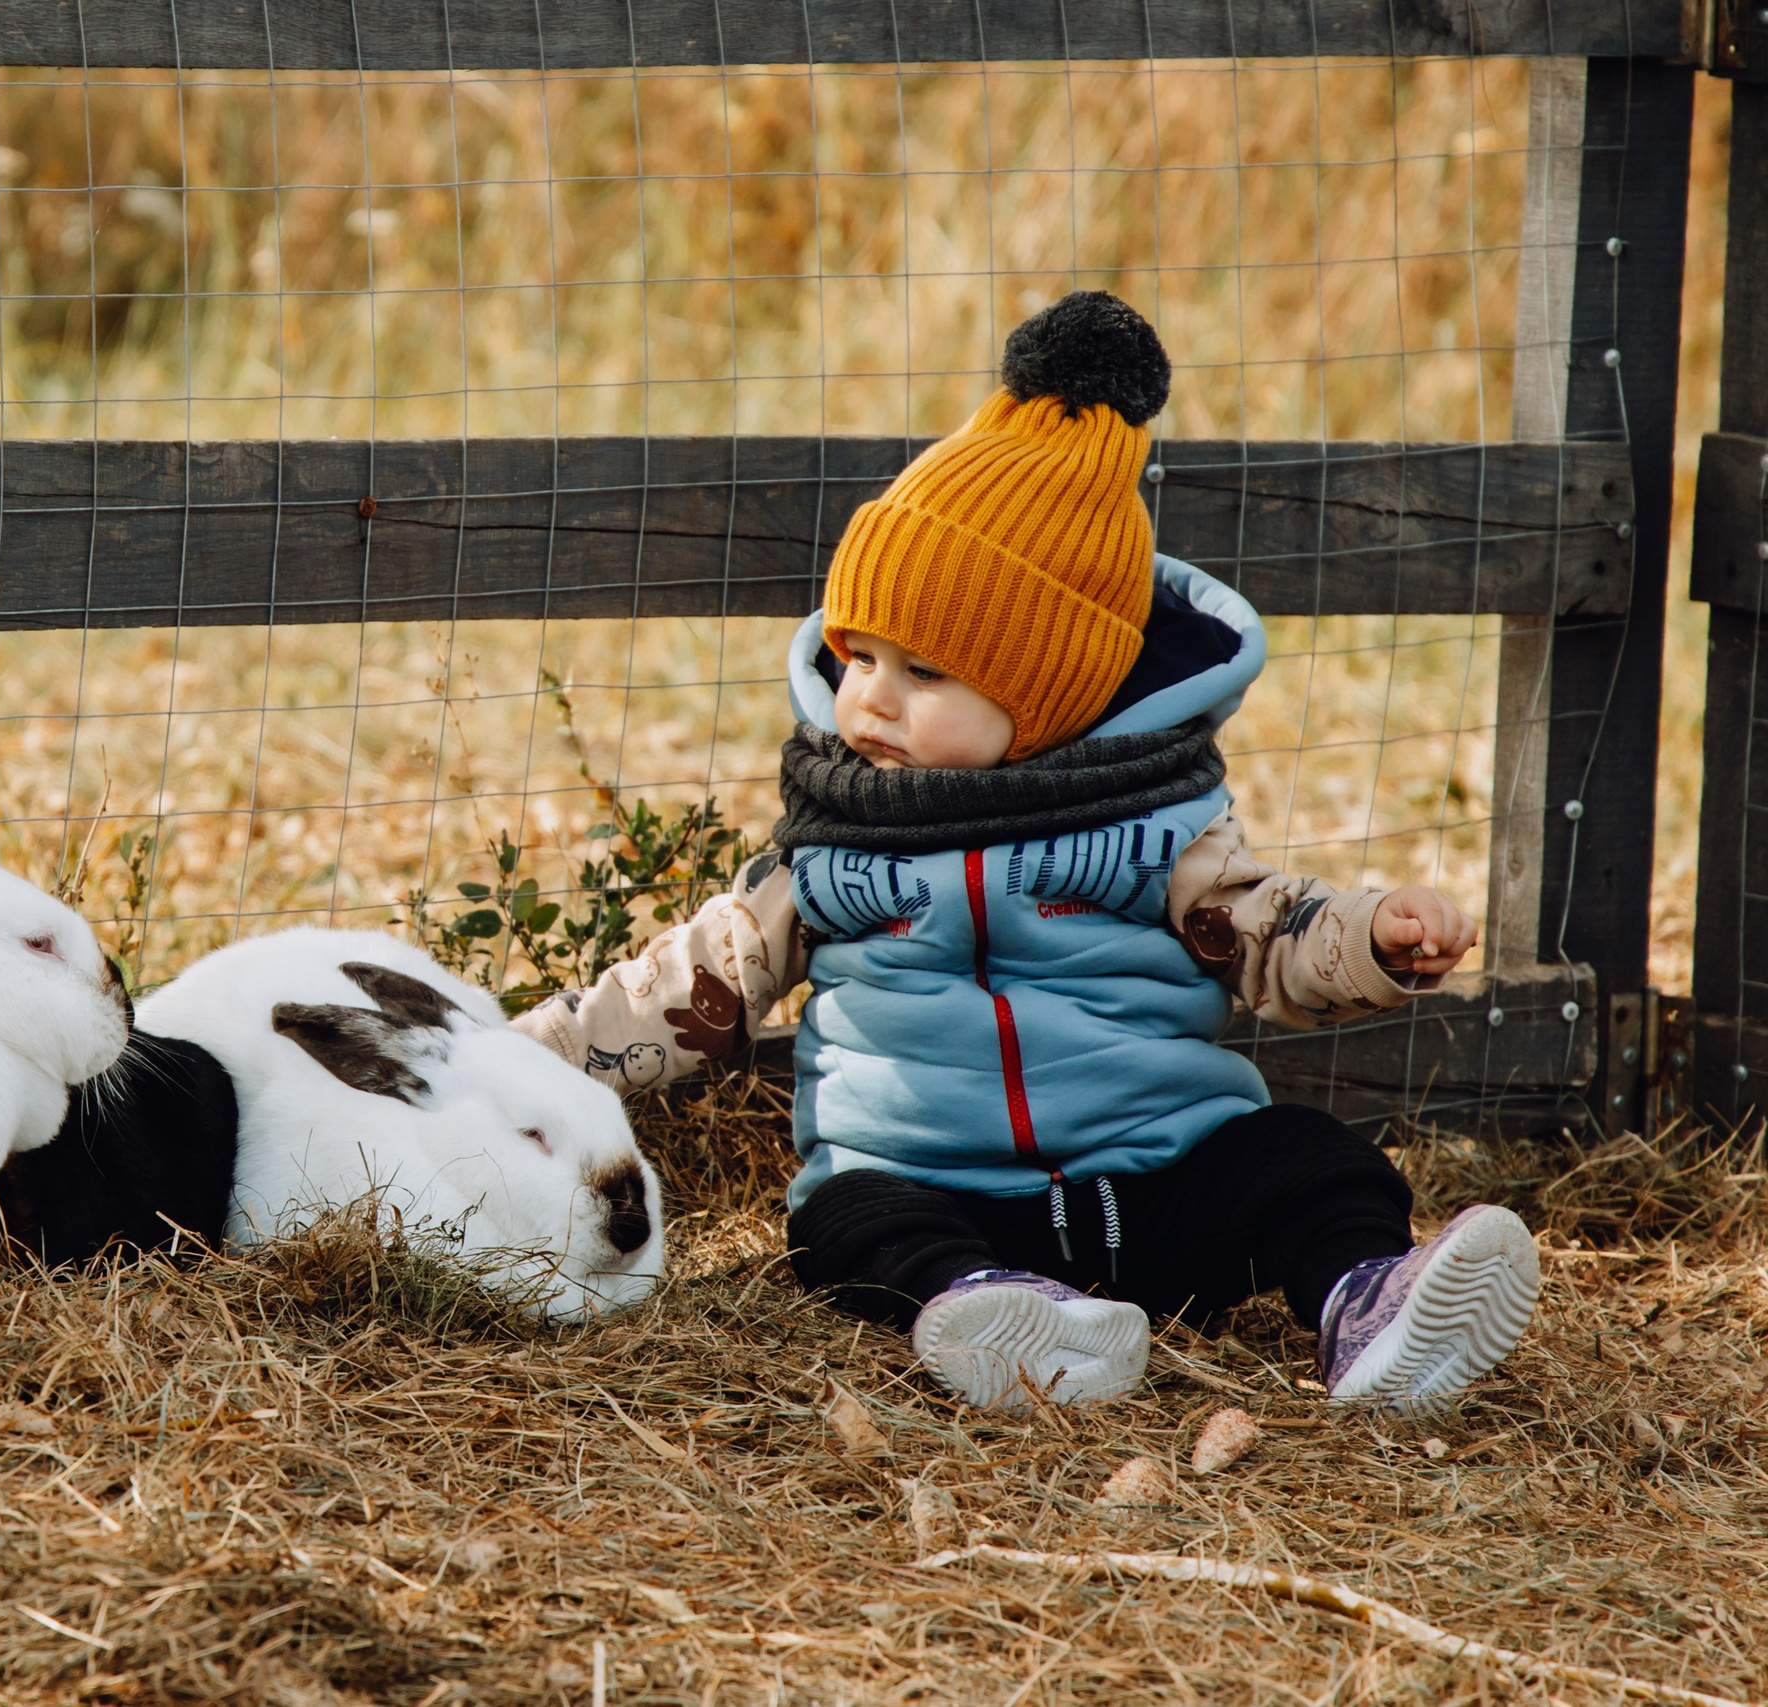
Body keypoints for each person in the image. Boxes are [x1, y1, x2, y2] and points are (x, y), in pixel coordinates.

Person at [513, 291, 1539, 1414]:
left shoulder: (1149, 819)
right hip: (932, 1186)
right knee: (840, 1221)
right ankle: (998, 1317)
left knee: (1308, 1158)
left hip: (1156, 1176)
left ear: (1044, 696)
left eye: (926, 674)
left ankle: (1369, 1307)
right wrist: (527, 1057)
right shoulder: (832, 842)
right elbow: (693, 983)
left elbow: (1268, 932)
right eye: (861, 656)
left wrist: (1373, 936)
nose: (872, 699)